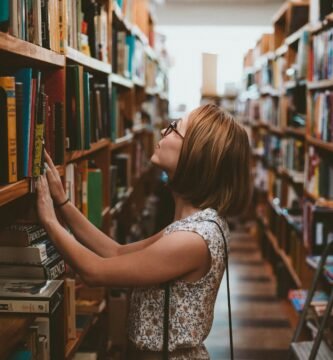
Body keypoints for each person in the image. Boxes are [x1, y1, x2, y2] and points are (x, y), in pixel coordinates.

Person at [36, 103, 252, 359]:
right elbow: (115, 252)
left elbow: (93, 271)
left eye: (174, 128)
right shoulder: (195, 224)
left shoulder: (192, 239)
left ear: (196, 154)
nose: (163, 130)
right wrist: (63, 204)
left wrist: (49, 220)